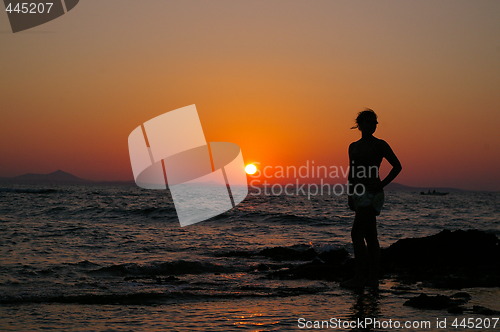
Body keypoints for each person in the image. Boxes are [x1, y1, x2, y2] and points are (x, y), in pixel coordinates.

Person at [342, 109, 402, 289]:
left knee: (356, 234)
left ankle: (361, 277)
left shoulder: (380, 145)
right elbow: (352, 172)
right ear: (360, 124)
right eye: (369, 122)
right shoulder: (353, 146)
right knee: (370, 235)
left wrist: (382, 184)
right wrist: (350, 194)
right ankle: (372, 279)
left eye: (375, 123)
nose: (373, 126)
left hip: (372, 192)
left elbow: (397, 166)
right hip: (358, 193)